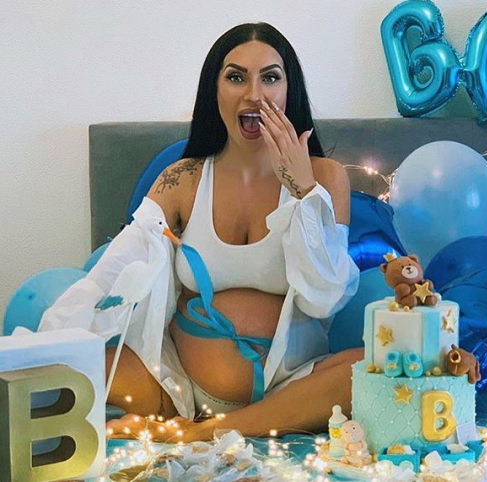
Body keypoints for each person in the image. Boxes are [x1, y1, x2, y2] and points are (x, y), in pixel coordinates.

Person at [40, 22, 361, 443]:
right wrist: (50, 343)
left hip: (289, 387)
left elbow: (325, 297)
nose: (254, 94)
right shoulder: (182, 179)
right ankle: (197, 424)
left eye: (270, 78)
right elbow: (112, 273)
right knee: (62, 366)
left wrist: (303, 192)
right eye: (236, 77)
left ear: (289, 90)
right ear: (215, 90)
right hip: (176, 387)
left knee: (369, 370)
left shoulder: (325, 177)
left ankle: (204, 434)